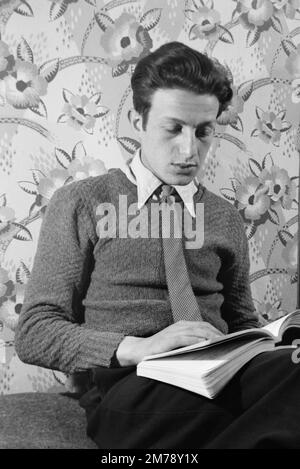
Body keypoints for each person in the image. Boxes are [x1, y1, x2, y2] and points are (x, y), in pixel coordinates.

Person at [15, 41, 300, 449]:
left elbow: (241, 321)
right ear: (137, 120)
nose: (190, 151)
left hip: (220, 376)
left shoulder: (223, 216)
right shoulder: (84, 201)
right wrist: (139, 347)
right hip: (133, 386)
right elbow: (36, 332)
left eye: (203, 132)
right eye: (173, 129)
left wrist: (273, 344)